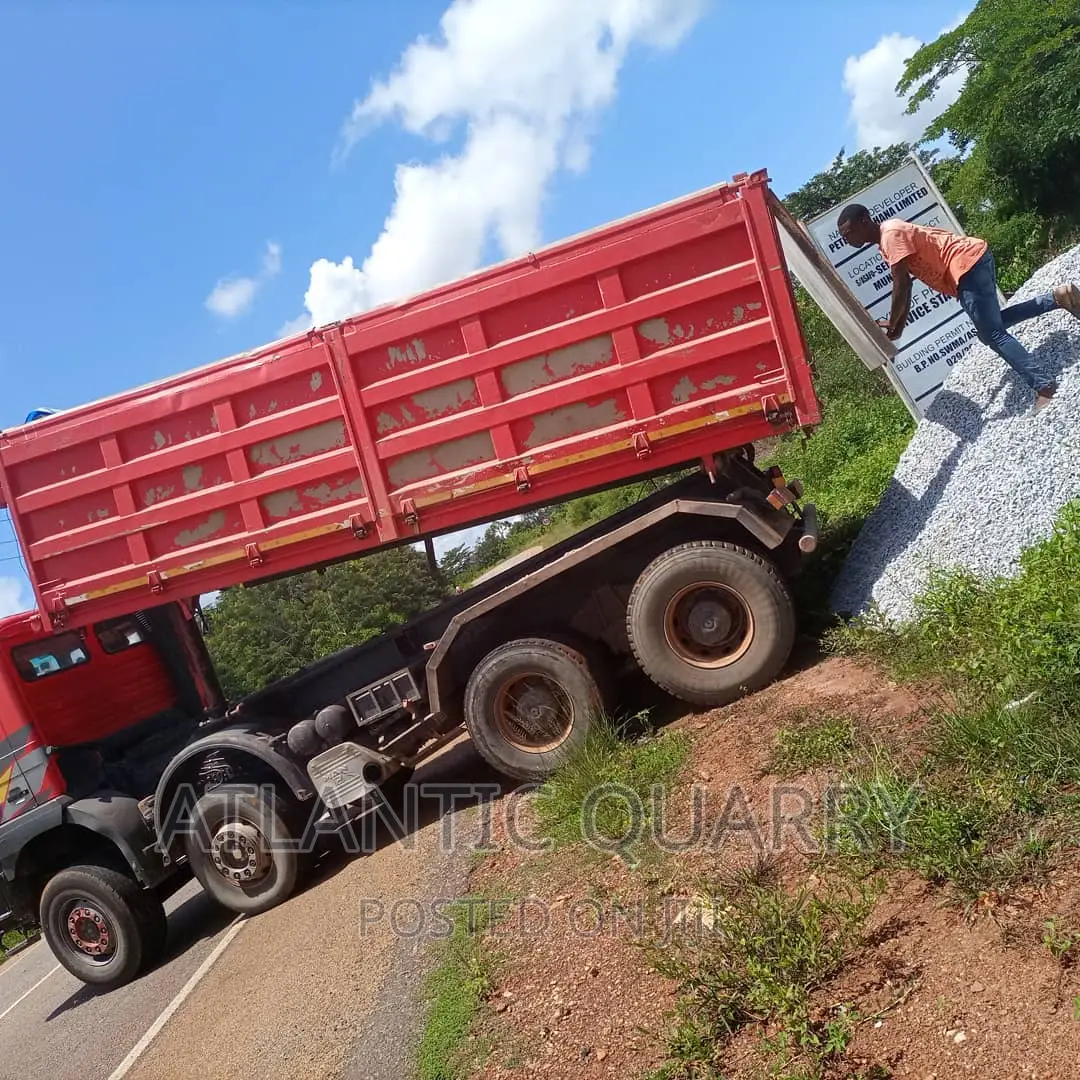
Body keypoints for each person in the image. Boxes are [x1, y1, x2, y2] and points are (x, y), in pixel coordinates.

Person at [837, 204, 1080, 413]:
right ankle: (1059, 299)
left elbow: (901, 284)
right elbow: (906, 286)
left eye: (849, 233)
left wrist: (893, 324)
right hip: (972, 262)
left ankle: (1045, 386)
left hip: (967, 266)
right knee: (990, 328)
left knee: (992, 334)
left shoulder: (890, 234)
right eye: (845, 237)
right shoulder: (887, 238)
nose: (848, 240)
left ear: (864, 221)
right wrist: (897, 327)